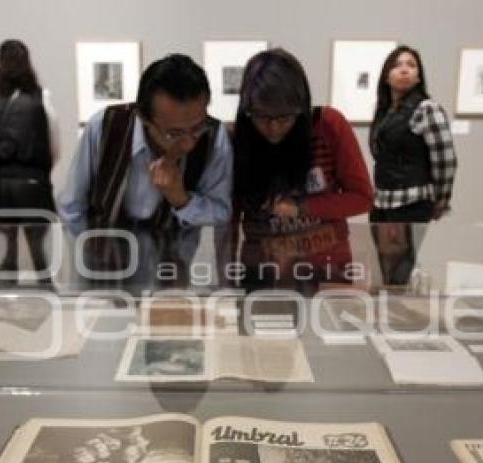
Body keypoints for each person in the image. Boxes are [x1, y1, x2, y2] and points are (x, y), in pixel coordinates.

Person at [231, 48, 373, 290]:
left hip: (326, 267)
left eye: (285, 117)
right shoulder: (239, 138)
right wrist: (226, 270)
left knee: (324, 326)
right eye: (262, 117)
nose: (274, 128)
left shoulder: (328, 125)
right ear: (248, 110)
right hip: (262, 269)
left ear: (301, 108)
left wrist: (302, 208)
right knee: (261, 326)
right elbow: (231, 215)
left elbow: (362, 198)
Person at [56, 53, 232, 236]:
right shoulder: (105, 126)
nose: (189, 143)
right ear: (143, 118)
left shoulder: (215, 136)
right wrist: (81, 255)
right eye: (175, 133)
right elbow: (72, 206)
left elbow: (221, 213)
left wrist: (181, 200)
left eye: (197, 128)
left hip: (175, 260)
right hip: (102, 258)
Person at [0, 39, 60, 286]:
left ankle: (3, 300)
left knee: (6, 252)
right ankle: (46, 293)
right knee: (39, 254)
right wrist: (43, 171)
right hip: (33, 181)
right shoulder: (39, 97)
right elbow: (54, 145)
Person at [369, 45, 457, 223]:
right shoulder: (385, 112)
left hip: (412, 203)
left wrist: (441, 199)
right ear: (386, 76)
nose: (404, 69)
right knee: (378, 252)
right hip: (381, 202)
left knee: (402, 252)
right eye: (397, 65)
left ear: (418, 78)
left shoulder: (427, 109)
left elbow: (445, 160)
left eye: (411, 65)